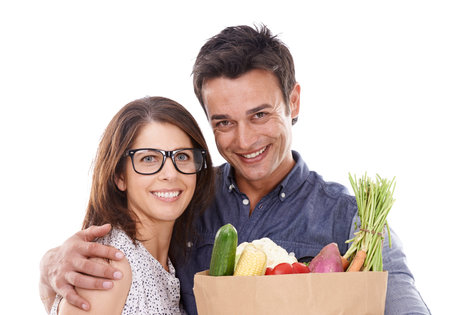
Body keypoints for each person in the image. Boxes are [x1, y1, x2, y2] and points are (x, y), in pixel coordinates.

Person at [40, 25, 430, 314]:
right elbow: (128, 253)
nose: (243, 141)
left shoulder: (351, 219)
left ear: (293, 102)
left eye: (259, 114)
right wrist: (51, 263)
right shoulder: (186, 195)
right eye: (224, 122)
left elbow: (404, 303)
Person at [42, 96, 214, 314]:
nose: (171, 174)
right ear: (119, 176)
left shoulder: (166, 264)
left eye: (182, 156)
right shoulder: (111, 267)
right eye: (149, 159)